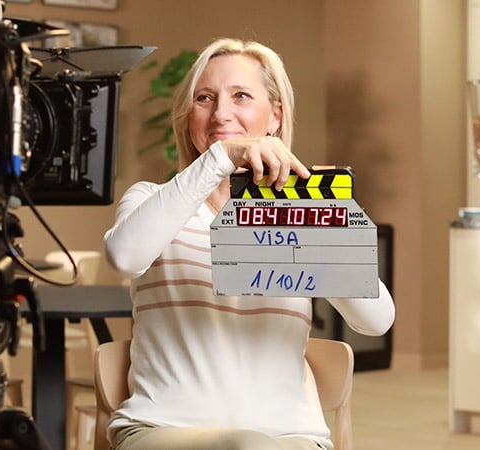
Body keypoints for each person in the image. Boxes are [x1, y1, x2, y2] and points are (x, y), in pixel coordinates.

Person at [103, 37, 394, 450]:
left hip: (289, 436)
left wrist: (318, 221)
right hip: (163, 430)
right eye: (205, 98)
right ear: (189, 117)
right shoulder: (150, 199)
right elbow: (124, 256)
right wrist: (221, 157)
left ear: (274, 116)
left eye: (241, 95)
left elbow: (376, 318)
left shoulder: (304, 210)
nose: (221, 112)